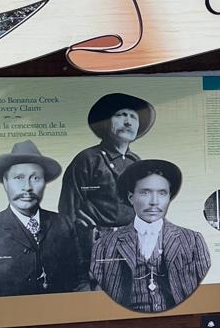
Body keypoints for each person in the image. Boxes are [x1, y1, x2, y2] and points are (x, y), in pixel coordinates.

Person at [0, 140, 83, 298]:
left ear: (45, 183)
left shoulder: (65, 225)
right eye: (18, 178)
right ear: (5, 182)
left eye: (35, 178)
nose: (27, 187)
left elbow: (80, 283)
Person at [90, 158, 211, 312]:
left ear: (169, 197)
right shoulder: (104, 245)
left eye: (162, 193)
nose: (154, 202)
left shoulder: (193, 241)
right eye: (145, 193)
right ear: (131, 197)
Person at [59, 92, 155, 262]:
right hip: (95, 248)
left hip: (133, 246)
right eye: (120, 115)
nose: (128, 122)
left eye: (133, 117)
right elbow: (69, 210)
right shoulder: (88, 159)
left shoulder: (137, 163)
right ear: (106, 122)